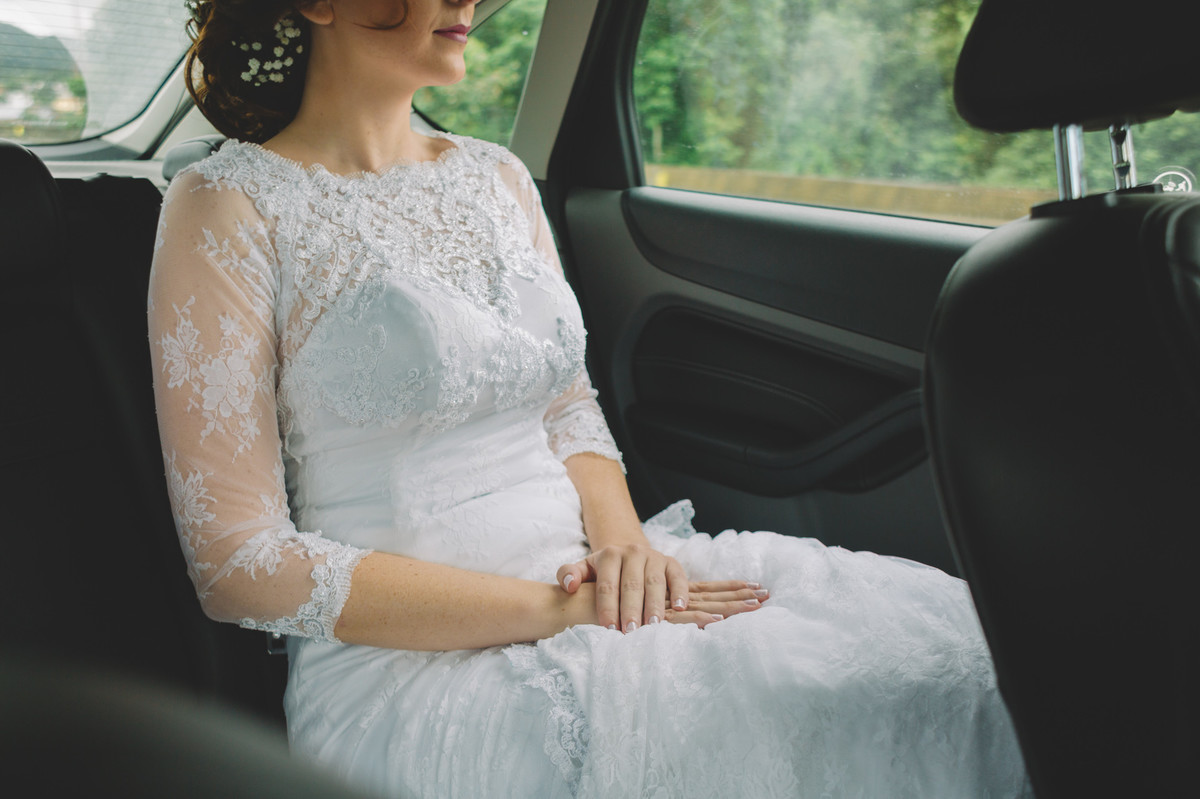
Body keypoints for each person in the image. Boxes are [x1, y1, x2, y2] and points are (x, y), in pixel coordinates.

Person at [148, 1, 1031, 796]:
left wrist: (626, 548)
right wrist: (563, 611)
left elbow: (565, 403)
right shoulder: (227, 208)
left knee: (953, 657)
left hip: (599, 580)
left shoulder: (496, 177)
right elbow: (238, 564)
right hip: (410, 671)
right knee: (810, 714)